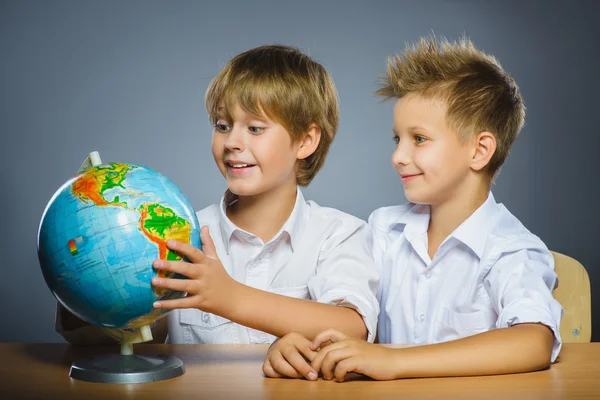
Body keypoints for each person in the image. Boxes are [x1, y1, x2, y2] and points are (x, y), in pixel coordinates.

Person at [56, 46, 379, 365]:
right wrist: (82, 278)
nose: (232, 143)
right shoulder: (176, 237)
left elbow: (354, 327)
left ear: (306, 141)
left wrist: (229, 297)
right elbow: (111, 341)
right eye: (223, 126)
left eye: (255, 128)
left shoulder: (339, 234)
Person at [263, 36, 563, 382]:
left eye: (418, 139)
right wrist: (289, 345)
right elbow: (338, 316)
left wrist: (394, 362)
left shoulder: (511, 249)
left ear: (480, 151)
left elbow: (534, 340)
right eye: (397, 139)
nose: (398, 157)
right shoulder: (383, 230)